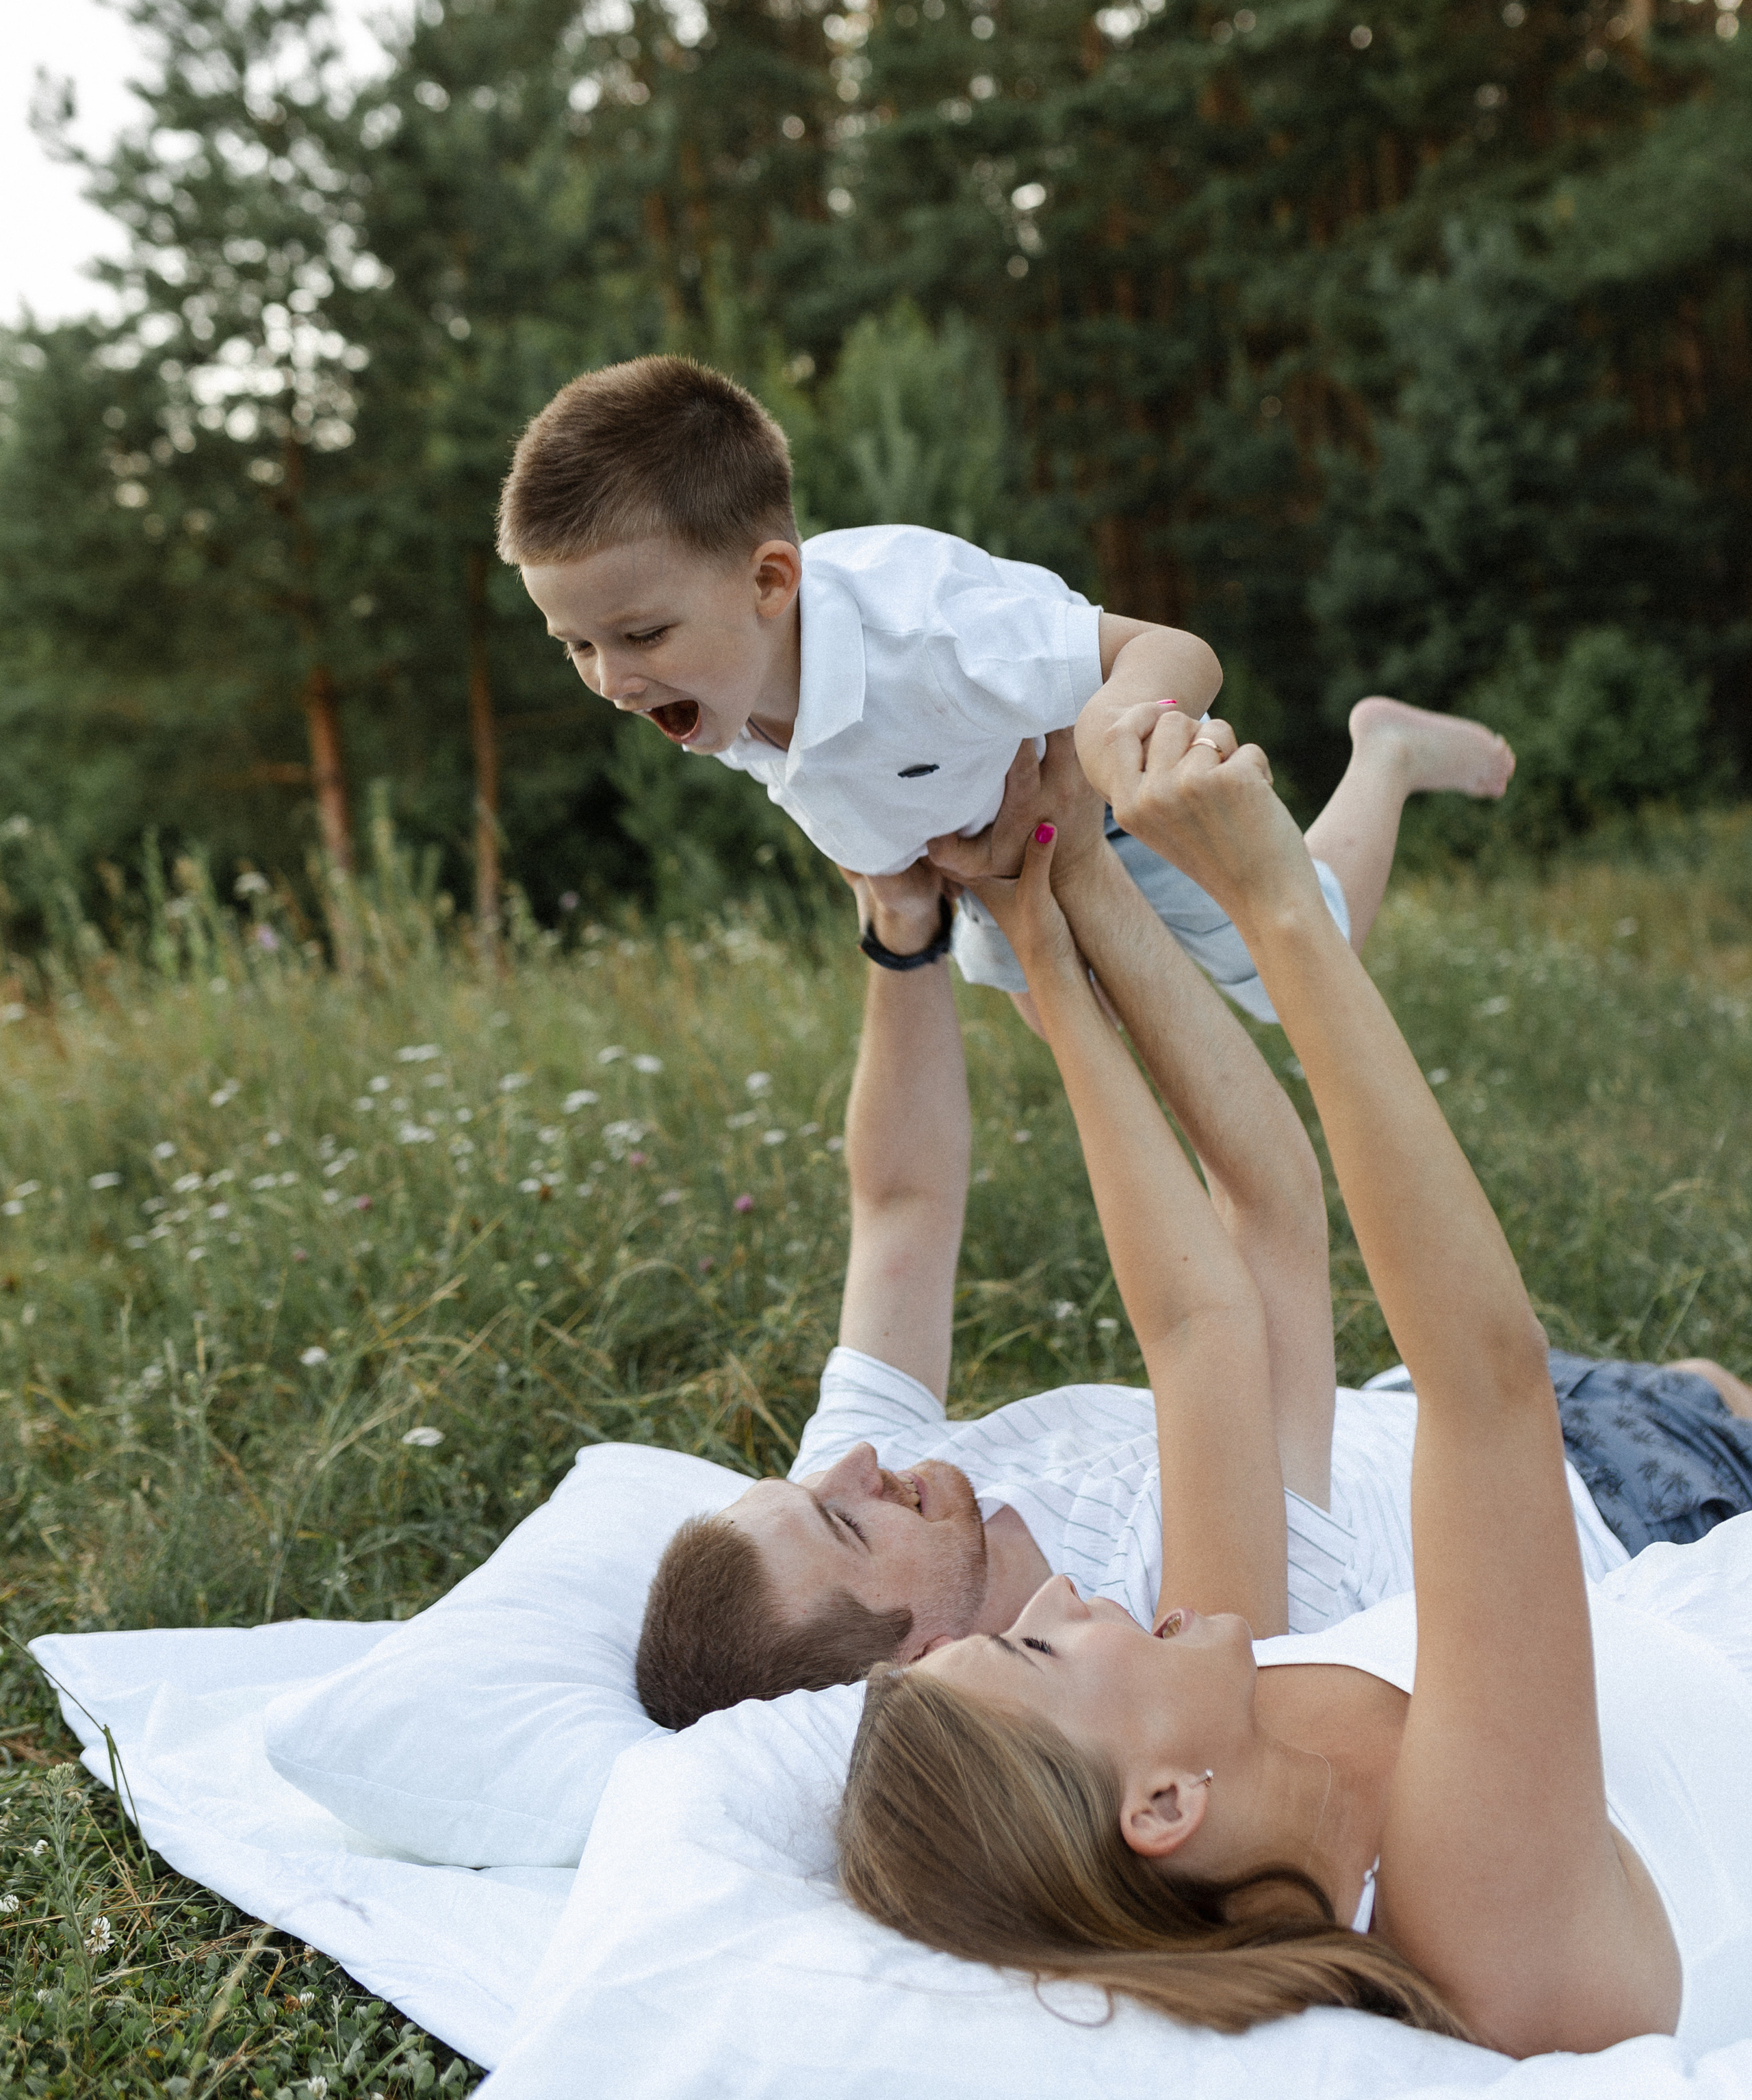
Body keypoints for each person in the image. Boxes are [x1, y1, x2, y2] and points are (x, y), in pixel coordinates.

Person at [838, 710, 1752, 2056]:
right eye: (1037, 1646)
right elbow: (1482, 1386)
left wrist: (1051, 908)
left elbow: (1205, 1318)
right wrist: (1270, 900)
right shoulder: (1482, 1937)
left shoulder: (1243, 1689)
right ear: (1157, 1810)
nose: (1060, 1593)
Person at [634, 734, 1752, 1736]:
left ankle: (1389, 751)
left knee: (1695, 1371)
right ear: (918, 1660)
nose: (857, 1465)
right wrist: (1061, 898)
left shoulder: (876, 1494)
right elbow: (1253, 1227)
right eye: (843, 1521)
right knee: (1711, 1400)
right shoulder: (1162, 1640)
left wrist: (901, 931)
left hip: (1407, 1404)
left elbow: (901, 1206)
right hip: (1611, 1511)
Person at [495, 353, 1515, 1027]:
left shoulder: (937, 633)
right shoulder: (714, 676)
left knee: (1300, 971)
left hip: (1099, 801)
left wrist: (1121, 732)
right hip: (980, 853)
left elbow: (1173, 648)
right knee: (1077, 1023)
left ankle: (1384, 754)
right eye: (574, 647)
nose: (612, 683)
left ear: (771, 581)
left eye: (637, 636)